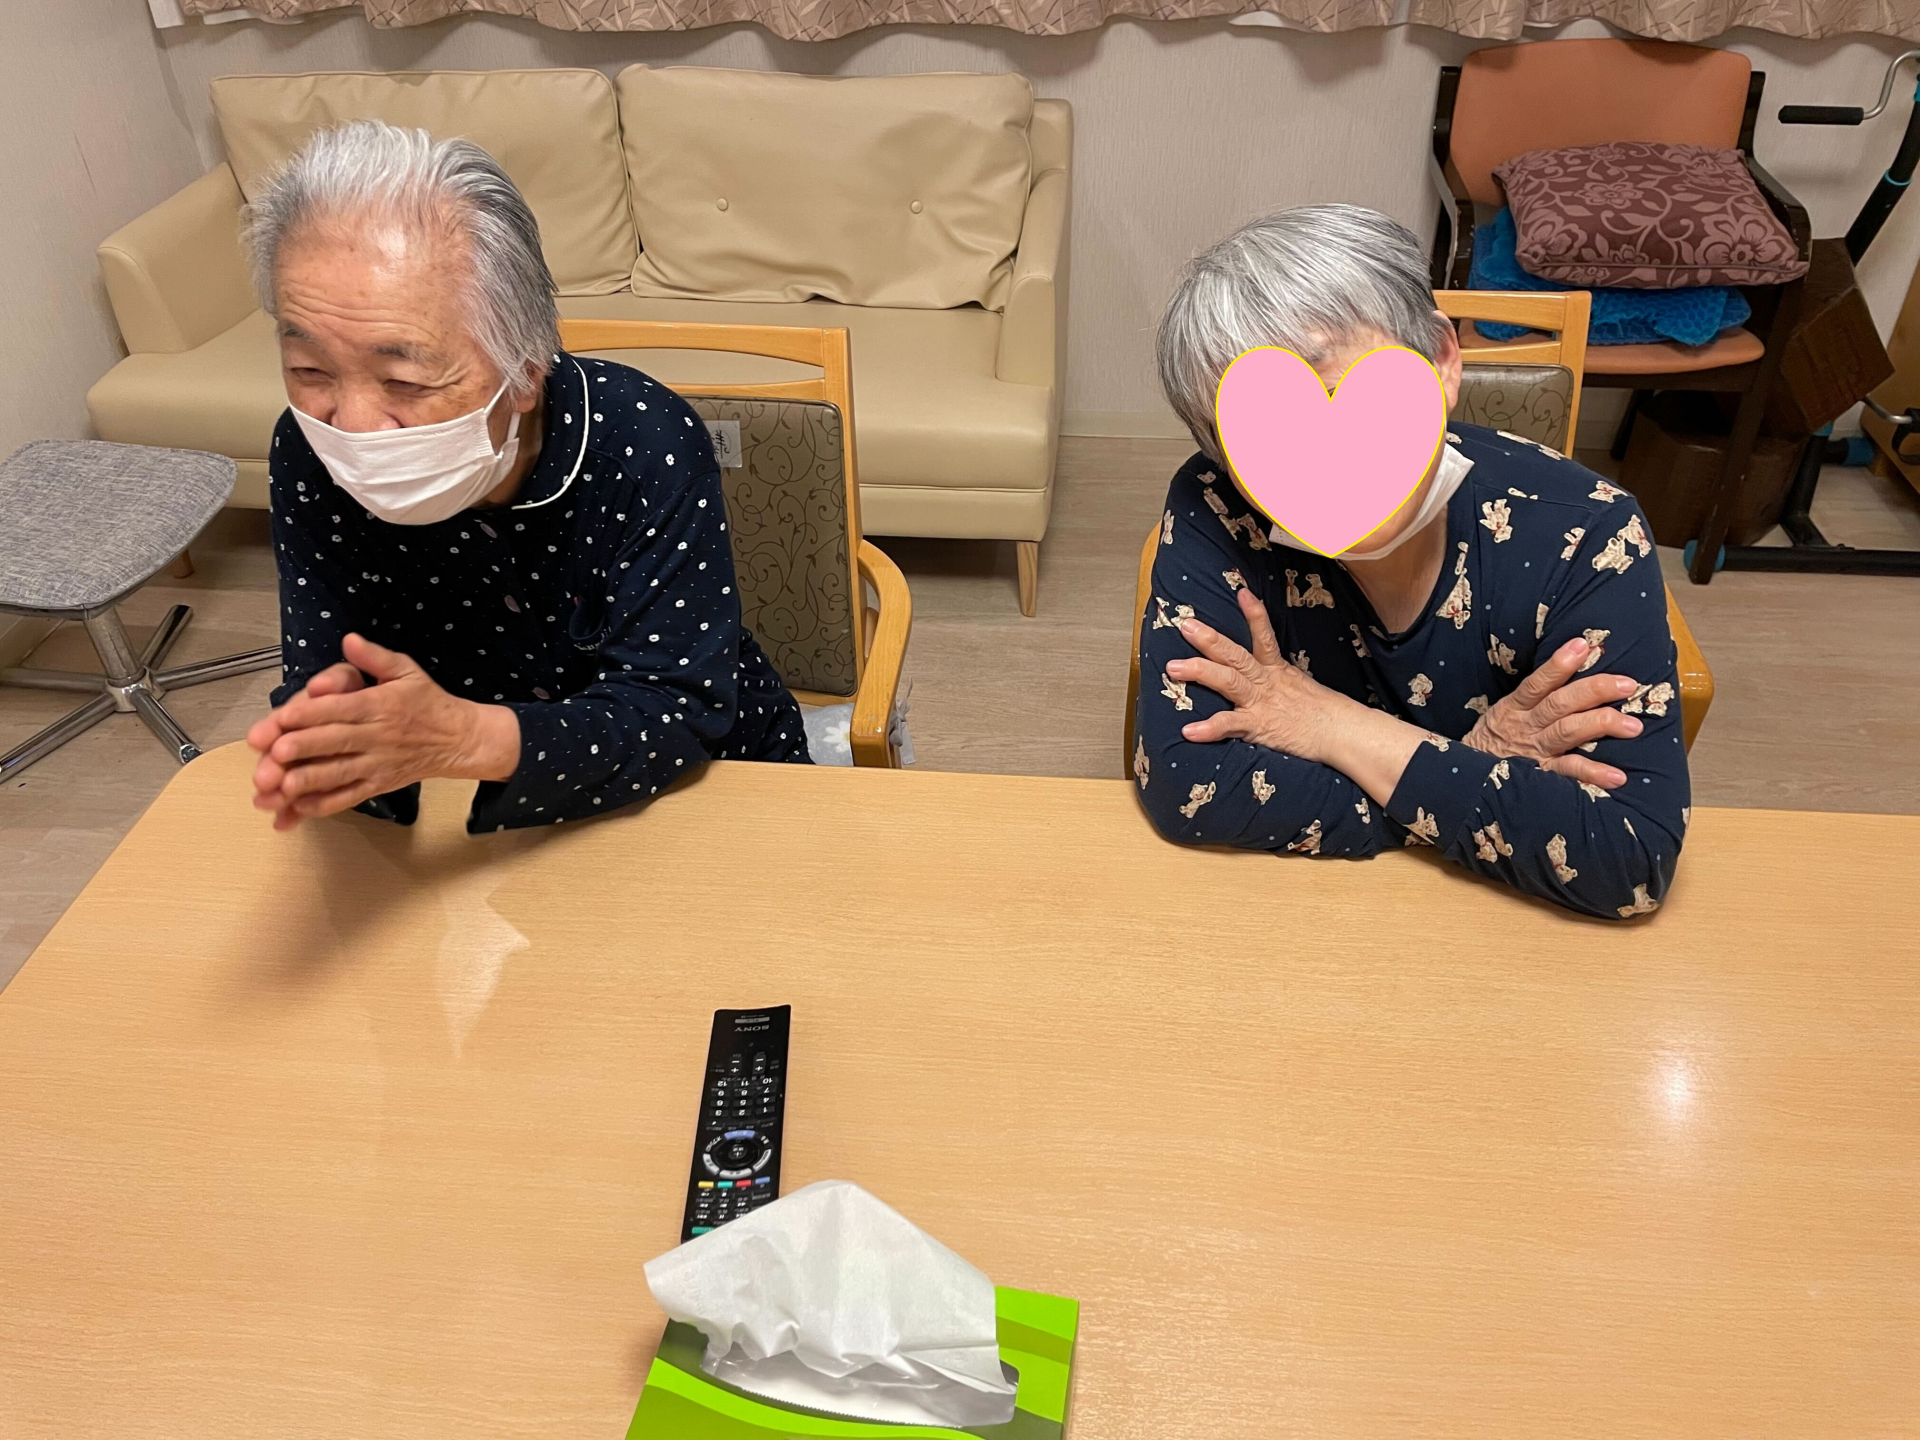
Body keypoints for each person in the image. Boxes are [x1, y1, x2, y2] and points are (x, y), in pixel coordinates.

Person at [243, 121, 808, 832]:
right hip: (467, 802)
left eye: (405, 381)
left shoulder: (644, 441)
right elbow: (327, 671)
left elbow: (677, 707)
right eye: (309, 370)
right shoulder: (306, 451)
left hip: (699, 780)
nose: (351, 425)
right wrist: (328, 748)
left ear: (525, 369)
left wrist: (469, 739)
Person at [1136, 205, 1688, 919]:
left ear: (1441, 358)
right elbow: (1190, 786)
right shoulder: (1218, 504)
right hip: (1300, 922)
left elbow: (1628, 857)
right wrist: (1475, 763)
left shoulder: (1587, 530)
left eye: (1333, 389)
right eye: (1257, 431)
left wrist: (1335, 726)